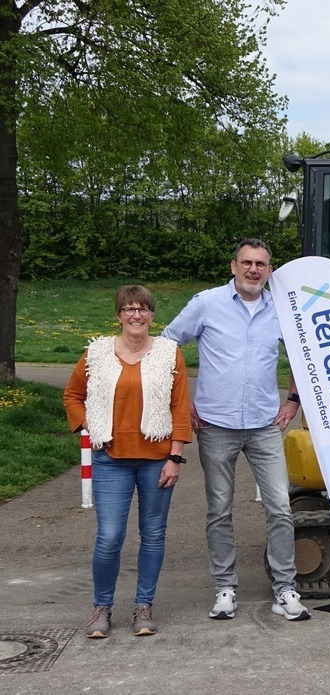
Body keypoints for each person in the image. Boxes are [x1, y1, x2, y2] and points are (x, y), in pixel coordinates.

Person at [162, 238, 310, 621]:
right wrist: (181, 401)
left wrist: (293, 400)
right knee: (219, 510)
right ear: (233, 266)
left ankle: (285, 589)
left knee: (280, 508)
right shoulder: (206, 303)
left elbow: (302, 355)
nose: (253, 270)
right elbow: (167, 345)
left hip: (264, 425)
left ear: (270, 270)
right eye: (247, 263)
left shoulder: (282, 309)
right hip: (216, 425)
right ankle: (225, 588)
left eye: (261, 264)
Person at [63, 285, 192, 638]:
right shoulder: (97, 353)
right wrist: (90, 423)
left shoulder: (169, 354)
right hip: (111, 459)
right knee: (109, 536)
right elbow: (72, 395)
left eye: (143, 309)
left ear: (152, 315)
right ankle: (101, 608)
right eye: (129, 309)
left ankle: (143, 606)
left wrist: (175, 457)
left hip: (157, 460)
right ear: (119, 315)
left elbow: (180, 408)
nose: (137, 315)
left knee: (153, 535)